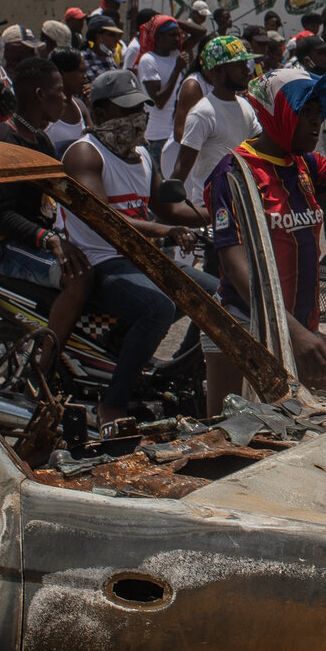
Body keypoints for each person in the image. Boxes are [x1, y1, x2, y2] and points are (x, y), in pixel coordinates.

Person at [206, 65, 326, 407]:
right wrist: (296, 335)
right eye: (303, 112)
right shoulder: (234, 173)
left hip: (301, 329)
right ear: (274, 113)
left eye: (317, 112)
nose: (315, 121)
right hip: (245, 326)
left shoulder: (307, 165)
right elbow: (235, 268)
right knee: (237, 438)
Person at [60, 68, 214, 430]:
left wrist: (221, 212)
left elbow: (168, 207)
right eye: (125, 111)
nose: (137, 119)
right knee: (158, 306)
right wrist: (166, 230)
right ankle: (111, 405)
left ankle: (178, 372)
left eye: (140, 110)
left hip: (139, 260)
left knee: (216, 293)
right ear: (99, 114)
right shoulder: (85, 154)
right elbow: (104, 218)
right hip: (99, 263)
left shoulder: (142, 155)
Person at [0, 56, 92, 365]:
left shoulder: (39, 139)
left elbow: (58, 195)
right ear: (41, 95)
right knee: (79, 276)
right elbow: (0, 215)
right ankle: (46, 366)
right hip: (2, 246)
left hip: (32, 240)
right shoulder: (4, 143)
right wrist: (50, 239)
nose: (66, 98)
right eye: (59, 91)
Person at [170, 35, 261, 207]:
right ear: (216, 70)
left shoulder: (245, 106)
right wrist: (169, 209)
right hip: (212, 206)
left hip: (243, 203)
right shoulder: (203, 113)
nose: (246, 70)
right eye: (238, 65)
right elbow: (181, 168)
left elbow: (260, 145)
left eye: (245, 64)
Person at [131, 14, 186, 177]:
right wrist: (177, 70)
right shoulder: (148, 60)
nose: (177, 39)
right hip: (158, 135)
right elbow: (159, 100)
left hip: (175, 132)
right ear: (159, 37)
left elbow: (201, 32)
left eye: (178, 34)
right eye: (172, 35)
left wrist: (172, 20)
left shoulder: (175, 55)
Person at [47, 48, 91, 153]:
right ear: (62, 74)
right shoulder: (45, 109)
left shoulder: (80, 106)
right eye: (81, 71)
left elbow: (93, 142)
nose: (85, 77)